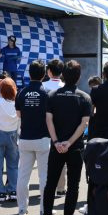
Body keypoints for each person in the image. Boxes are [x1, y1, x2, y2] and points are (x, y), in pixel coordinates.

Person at [41, 60, 91, 215]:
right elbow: (84, 124)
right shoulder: (84, 97)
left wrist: (56, 142)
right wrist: (69, 142)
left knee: (51, 182)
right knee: (73, 185)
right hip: (75, 147)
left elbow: (48, 119)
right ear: (79, 77)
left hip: (56, 147)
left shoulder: (52, 95)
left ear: (63, 75)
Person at [15, 60, 51, 215]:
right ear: (43, 75)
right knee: (44, 177)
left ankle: (22, 208)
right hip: (43, 138)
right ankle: (44, 210)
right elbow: (50, 117)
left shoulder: (21, 92)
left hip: (25, 138)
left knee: (23, 175)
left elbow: (19, 115)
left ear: (29, 74)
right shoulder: (47, 93)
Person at [42, 58, 67, 195]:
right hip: (62, 126)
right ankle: (61, 187)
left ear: (49, 72)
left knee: (45, 158)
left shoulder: (43, 86)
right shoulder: (65, 86)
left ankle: (48, 185)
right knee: (61, 155)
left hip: (45, 125)